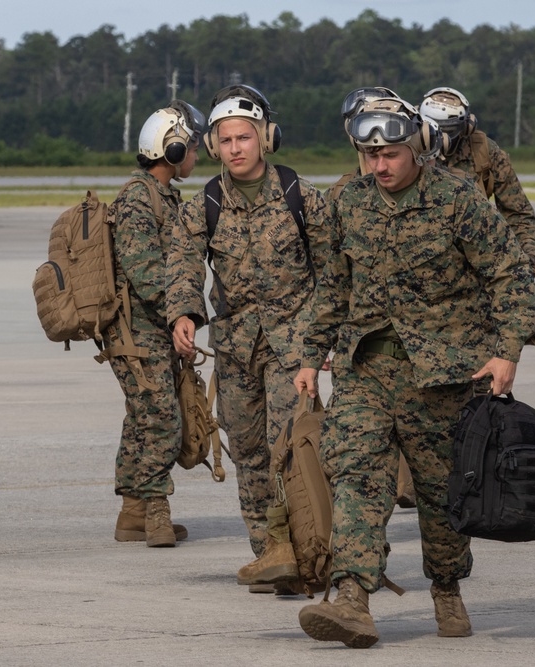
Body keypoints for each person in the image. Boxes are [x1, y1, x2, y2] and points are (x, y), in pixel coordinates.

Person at [294, 96, 535, 647]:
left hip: (446, 374)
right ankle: (352, 596)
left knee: (441, 491)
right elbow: (331, 287)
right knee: (358, 475)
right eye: (369, 154)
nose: (379, 166)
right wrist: (311, 356)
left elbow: (508, 275)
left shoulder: (459, 201)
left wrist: (507, 351)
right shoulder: (348, 204)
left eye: (390, 154)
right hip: (366, 367)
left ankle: (447, 588)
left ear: (417, 147)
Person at [165, 85, 331, 589]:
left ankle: (305, 552)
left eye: (245, 137)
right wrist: (184, 314)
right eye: (226, 140)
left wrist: (328, 344)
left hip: (293, 346)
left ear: (265, 140)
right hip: (237, 349)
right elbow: (183, 263)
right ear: (214, 146)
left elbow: (335, 274)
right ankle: (270, 553)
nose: (236, 148)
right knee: (248, 450)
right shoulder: (205, 206)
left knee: (291, 447)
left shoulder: (305, 199)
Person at [109, 100, 205, 548]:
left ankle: (131, 514)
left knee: (142, 416)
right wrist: (179, 313)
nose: (197, 156)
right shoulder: (135, 198)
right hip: (135, 330)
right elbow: (144, 268)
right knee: (163, 418)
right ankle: (156, 512)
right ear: (172, 149)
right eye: (192, 147)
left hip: (151, 327)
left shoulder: (165, 196)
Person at [419, 86, 535, 268]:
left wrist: (525, 261)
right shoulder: (404, 151)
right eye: (433, 130)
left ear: (467, 128)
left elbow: (518, 216)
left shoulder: (485, 153)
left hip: (474, 261)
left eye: (448, 131)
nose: (441, 139)